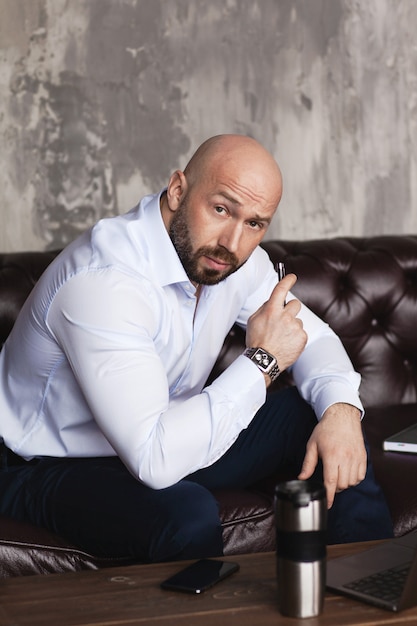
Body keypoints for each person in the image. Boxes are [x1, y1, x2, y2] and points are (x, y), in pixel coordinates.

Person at [0, 134, 392, 562]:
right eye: (221, 209)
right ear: (177, 190)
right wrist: (262, 362)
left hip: (167, 435)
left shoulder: (231, 260)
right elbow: (154, 459)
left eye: (255, 224)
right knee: (186, 516)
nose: (233, 242)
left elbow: (314, 338)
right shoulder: (104, 282)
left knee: (317, 415)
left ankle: (369, 584)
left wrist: (340, 411)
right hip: (46, 463)